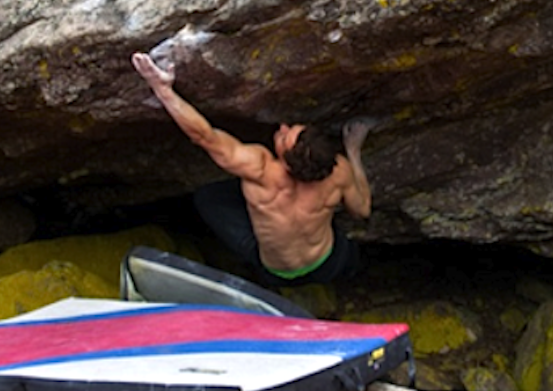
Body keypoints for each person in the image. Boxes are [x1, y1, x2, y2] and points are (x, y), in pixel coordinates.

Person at [131, 51, 372, 286]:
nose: (283, 127)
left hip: (277, 273)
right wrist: (353, 152)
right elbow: (362, 211)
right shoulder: (339, 170)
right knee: (351, 256)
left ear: (287, 163)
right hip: (329, 263)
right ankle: (356, 277)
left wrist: (163, 90)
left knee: (208, 197)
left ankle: (252, 279)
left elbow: (205, 136)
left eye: (285, 136)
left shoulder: (261, 171)